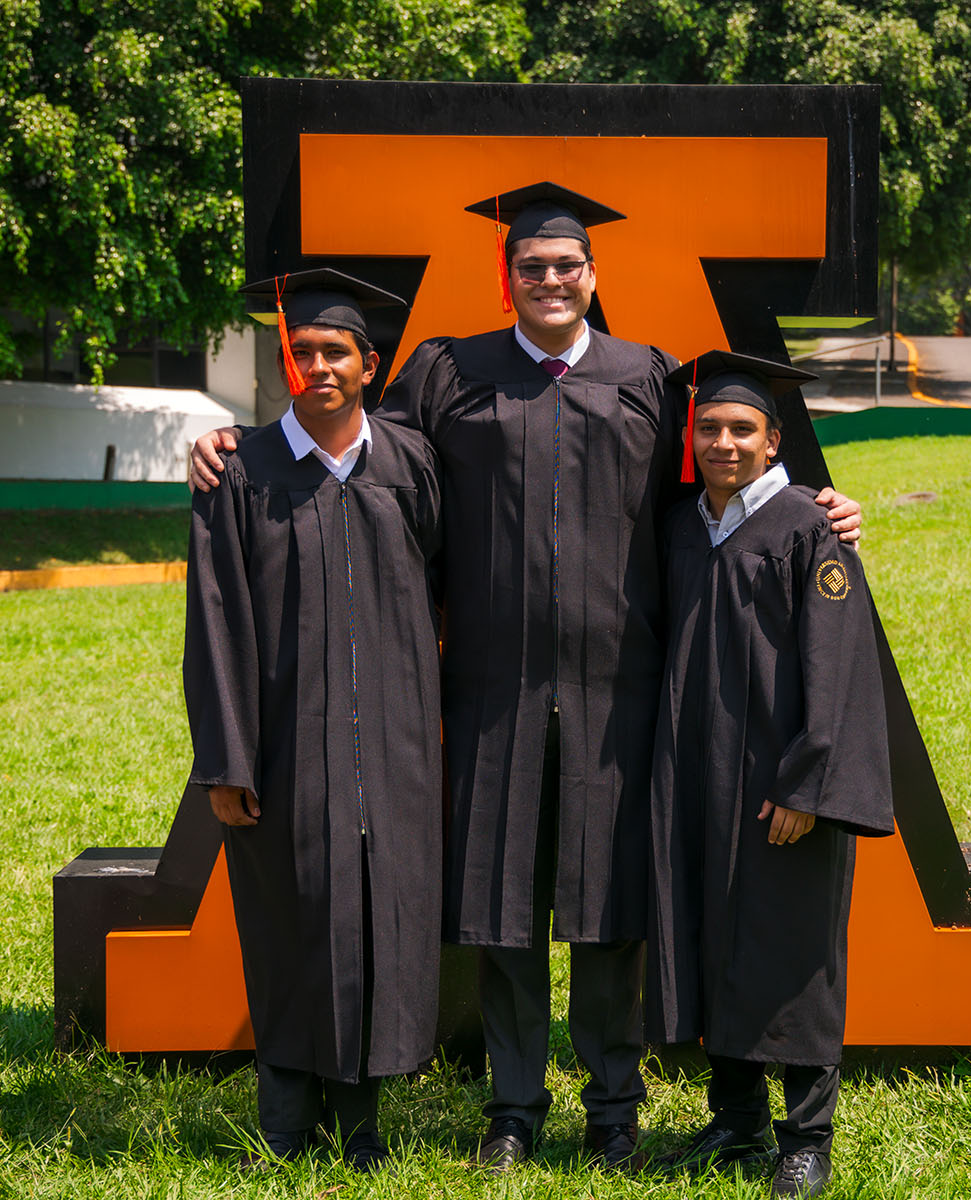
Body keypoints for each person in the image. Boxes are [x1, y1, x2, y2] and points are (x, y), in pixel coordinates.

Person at [189, 183, 863, 1171]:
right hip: (491, 693)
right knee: (501, 912)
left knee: (608, 913)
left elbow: (723, 481)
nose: (550, 281)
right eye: (532, 268)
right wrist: (229, 445)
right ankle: (513, 1110)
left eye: (567, 267)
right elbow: (359, 453)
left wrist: (816, 507)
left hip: (617, 697)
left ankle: (613, 1110)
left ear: (595, 277)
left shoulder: (651, 378)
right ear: (507, 281)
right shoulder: (449, 371)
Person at [184, 269, 443, 1173]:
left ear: (370, 366)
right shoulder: (241, 471)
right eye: (303, 352)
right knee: (289, 918)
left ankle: (362, 1124)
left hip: (397, 745)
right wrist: (227, 761)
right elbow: (213, 623)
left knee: (378, 921)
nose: (319, 366)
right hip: (286, 745)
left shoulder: (411, 463)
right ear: (284, 363)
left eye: (337, 352)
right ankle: (286, 1124)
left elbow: (452, 585)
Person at [646, 352, 895, 1200]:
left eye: (742, 429)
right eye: (709, 428)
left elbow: (841, 668)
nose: (724, 442)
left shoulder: (806, 528)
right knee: (717, 935)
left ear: (773, 439)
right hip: (696, 773)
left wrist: (806, 785)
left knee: (792, 949)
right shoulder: (685, 526)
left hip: (778, 782)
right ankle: (737, 1119)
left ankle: (807, 1137)